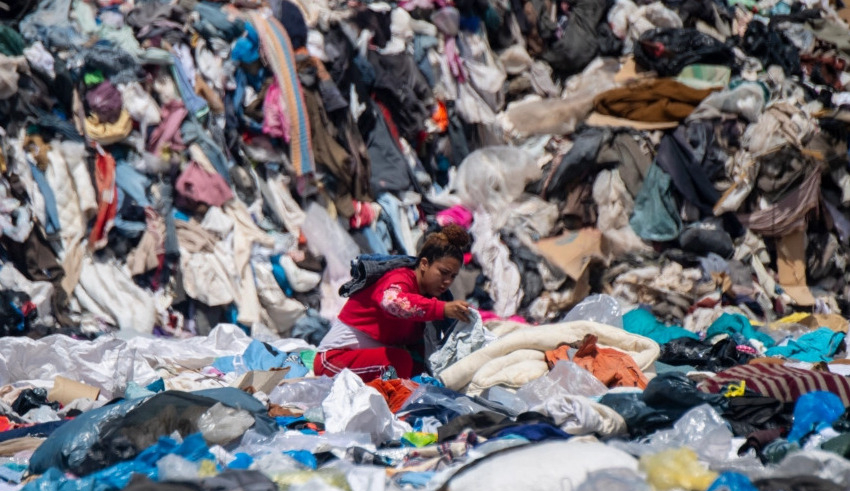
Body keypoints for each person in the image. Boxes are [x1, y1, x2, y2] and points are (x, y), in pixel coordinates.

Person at [314, 224, 473, 382]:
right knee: (399, 361)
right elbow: (392, 302)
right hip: (331, 361)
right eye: (443, 272)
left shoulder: (425, 300)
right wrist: (442, 309)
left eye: (453, 276)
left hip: (363, 363)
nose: (447, 281)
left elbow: (415, 350)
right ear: (424, 264)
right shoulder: (400, 279)